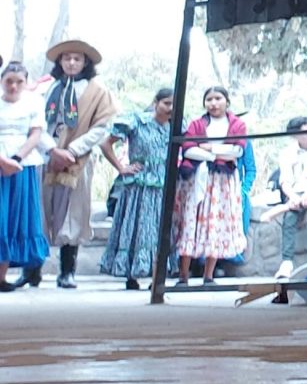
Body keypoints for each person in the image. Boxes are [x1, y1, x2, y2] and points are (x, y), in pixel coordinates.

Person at [38, 39, 117, 288]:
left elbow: (102, 126)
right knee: (40, 210)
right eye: (66, 58)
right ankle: (32, 270)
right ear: (59, 62)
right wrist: (51, 149)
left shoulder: (97, 91)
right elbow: (35, 122)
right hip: (45, 156)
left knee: (73, 213)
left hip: (77, 160)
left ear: (85, 63)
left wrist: (72, 149)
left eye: (77, 59)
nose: (71, 63)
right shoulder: (48, 88)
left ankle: (67, 271)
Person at [99, 88, 177, 289]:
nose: (170, 108)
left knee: (157, 230)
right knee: (136, 228)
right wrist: (121, 167)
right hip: (138, 186)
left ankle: (155, 275)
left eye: (174, 104)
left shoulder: (176, 126)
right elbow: (106, 144)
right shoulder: (137, 122)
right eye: (167, 103)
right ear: (155, 102)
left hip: (162, 187)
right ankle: (131, 274)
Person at [174, 87, 249, 286]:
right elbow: (188, 150)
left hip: (223, 181)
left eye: (218, 98)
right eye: (209, 99)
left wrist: (208, 148)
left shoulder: (237, 125)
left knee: (215, 223)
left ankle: (209, 275)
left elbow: (237, 151)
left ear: (226, 101)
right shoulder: (197, 124)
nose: (213, 103)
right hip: (199, 178)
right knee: (192, 222)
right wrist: (216, 154)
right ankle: (183, 275)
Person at [0, 61, 52, 290]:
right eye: (9, 81)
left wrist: (17, 159)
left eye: (19, 81)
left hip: (23, 162)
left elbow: (36, 133)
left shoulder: (34, 102)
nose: (13, 86)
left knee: (14, 219)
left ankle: (1, 277)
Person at [262, 116, 307, 277]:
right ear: (295, 136)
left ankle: (284, 207)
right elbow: (285, 181)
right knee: (290, 216)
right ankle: (287, 262)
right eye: (305, 132)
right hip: (299, 191)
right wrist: (293, 196)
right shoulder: (287, 153)